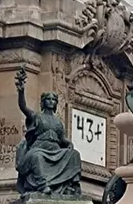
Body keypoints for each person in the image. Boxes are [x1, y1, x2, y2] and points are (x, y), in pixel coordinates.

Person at [14, 67, 83, 196]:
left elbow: (62, 139)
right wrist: (21, 90)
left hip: (55, 150)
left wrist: (69, 144)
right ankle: (42, 185)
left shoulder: (58, 122)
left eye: (53, 100)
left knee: (74, 154)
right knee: (36, 157)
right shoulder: (36, 117)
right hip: (39, 148)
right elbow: (23, 106)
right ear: (43, 102)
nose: (51, 101)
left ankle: (73, 186)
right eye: (48, 99)